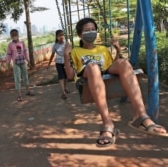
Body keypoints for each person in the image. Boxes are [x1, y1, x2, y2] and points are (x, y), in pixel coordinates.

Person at [64, 17, 168, 147]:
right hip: (88, 76)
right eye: (87, 30)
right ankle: (107, 123)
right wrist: (65, 55)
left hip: (105, 75)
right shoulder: (75, 51)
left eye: (93, 29)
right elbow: (69, 76)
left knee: (123, 63)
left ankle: (140, 115)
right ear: (80, 34)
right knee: (93, 66)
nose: (91, 32)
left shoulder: (103, 49)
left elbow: (111, 66)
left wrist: (118, 50)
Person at [6, 29, 34, 102]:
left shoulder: (22, 42)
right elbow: (9, 55)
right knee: (17, 78)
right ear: (11, 36)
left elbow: (25, 52)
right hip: (16, 64)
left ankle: (28, 91)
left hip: (23, 62)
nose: (14, 36)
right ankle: (19, 95)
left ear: (18, 35)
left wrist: (28, 61)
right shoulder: (10, 45)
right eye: (13, 35)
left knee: (25, 76)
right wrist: (8, 64)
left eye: (15, 34)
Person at [48, 30, 70, 100]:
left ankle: (65, 88)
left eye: (62, 35)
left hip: (66, 62)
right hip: (58, 63)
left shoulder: (66, 43)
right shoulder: (55, 45)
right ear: (57, 37)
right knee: (61, 77)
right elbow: (52, 55)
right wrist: (49, 64)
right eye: (59, 35)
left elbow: (70, 52)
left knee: (66, 77)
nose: (61, 37)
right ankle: (63, 92)